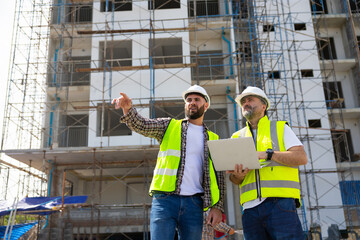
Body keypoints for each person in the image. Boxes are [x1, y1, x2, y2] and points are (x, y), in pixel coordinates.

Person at [112, 85, 225, 240]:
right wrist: (128, 110)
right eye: (189, 100)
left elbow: (219, 177)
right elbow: (142, 125)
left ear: (206, 106)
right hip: (165, 201)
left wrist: (217, 207)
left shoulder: (214, 138)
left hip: (194, 204)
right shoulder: (169, 126)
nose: (192, 102)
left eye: (197, 100)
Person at [228, 86, 307, 240]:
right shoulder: (236, 136)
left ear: (263, 106)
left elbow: (301, 157)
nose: (245, 103)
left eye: (250, 99)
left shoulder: (280, 128)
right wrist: (238, 175)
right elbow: (234, 180)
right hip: (250, 209)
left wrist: (268, 154)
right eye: (243, 101)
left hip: (280, 204)